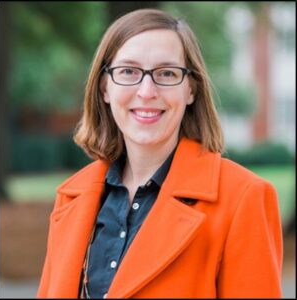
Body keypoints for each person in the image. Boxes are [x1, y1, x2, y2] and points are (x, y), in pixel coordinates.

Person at [37, 8, 283, 299]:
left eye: (166, 73)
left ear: (190, 89)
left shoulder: (243, 198)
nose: (146, 91)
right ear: (105, 87)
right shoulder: (72, 197)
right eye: (128, 71)